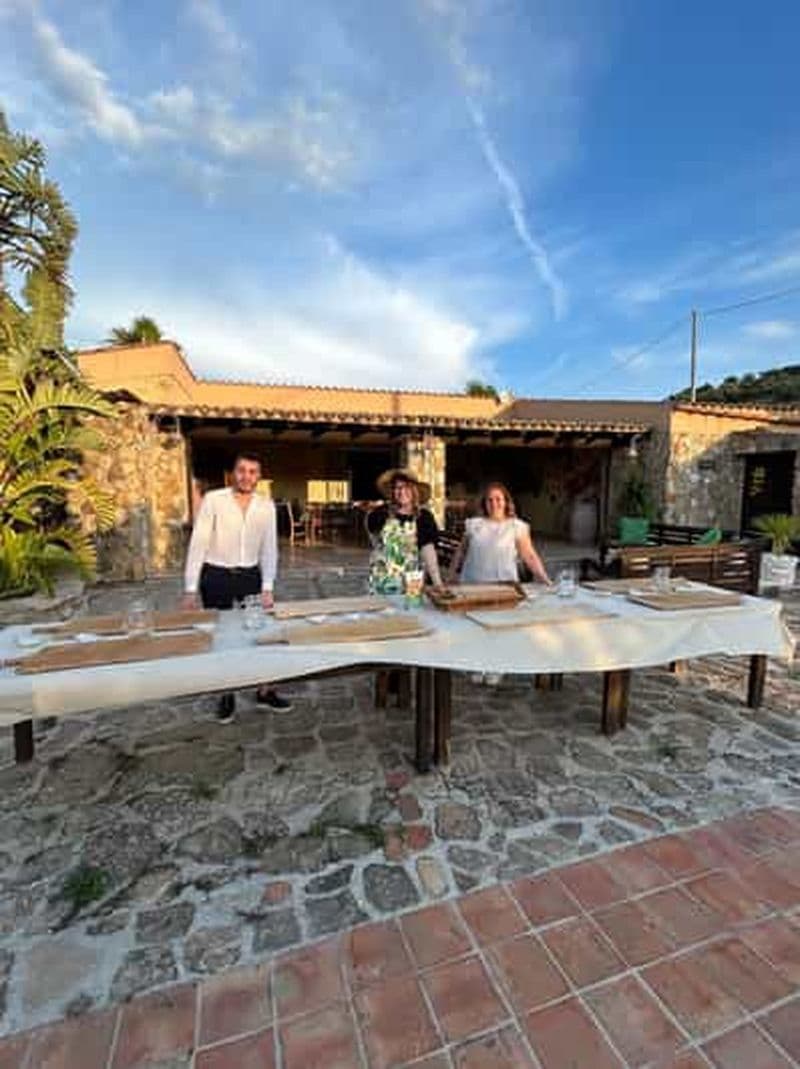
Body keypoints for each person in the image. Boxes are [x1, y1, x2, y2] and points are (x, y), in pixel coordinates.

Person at [183, 452, 291, 722]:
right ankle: (226, 694)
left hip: (249, 577)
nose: (247, 476)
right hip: (216, 575)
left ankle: (264, 691)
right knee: (222, 637)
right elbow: (198, 543)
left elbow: (270, 548)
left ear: (259, 476)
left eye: (253, 471)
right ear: (232, 473)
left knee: (259, 634)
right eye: (242, 470)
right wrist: (190, 587)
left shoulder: (266, 506)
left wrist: (267, 585)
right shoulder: (213, 500)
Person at [450, 482, 551, 585]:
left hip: (505, 585)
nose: (494, 504)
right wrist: (451, 576)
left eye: (498, 499)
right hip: (472, 583)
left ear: (506, 502)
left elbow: (530, 556)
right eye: (490, 500)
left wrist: (544, 578)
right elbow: (461, 551)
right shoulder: (474, 524)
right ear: (484, 503)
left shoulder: (516, 526)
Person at [367, 469, 445, 592]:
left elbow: (428, 551)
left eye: (407, 487)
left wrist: (437, 583)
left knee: (412, 610)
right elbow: (374, 539)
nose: (402, 491)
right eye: (397, 488)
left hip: (412, 581)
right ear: (392, 492)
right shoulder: (381, 513)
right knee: (383, 611)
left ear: (414, 490)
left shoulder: (423, 517)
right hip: (382, 581)